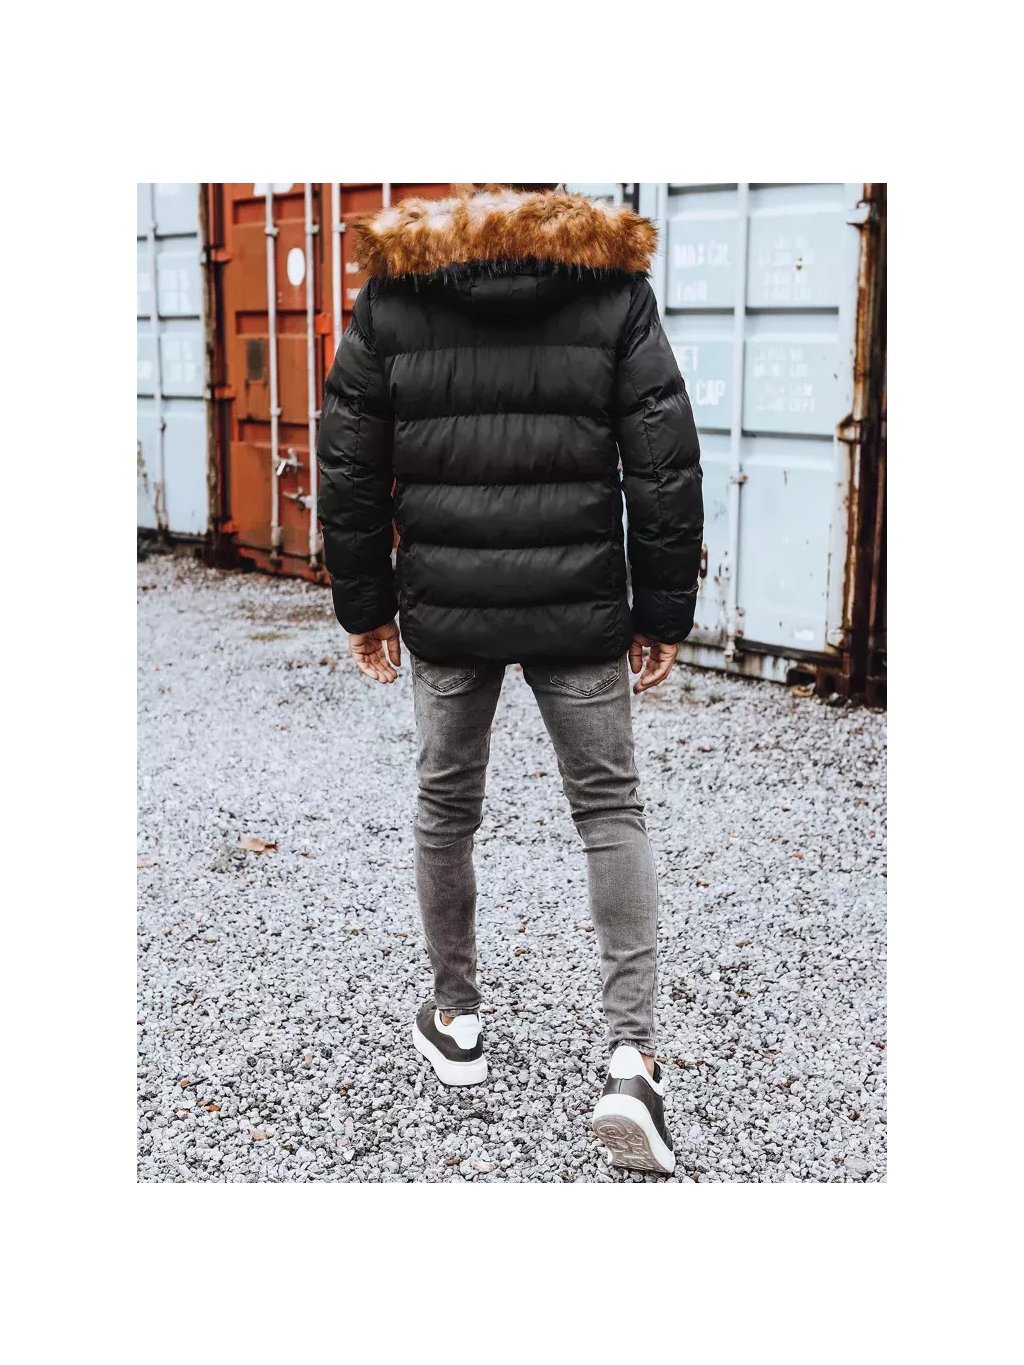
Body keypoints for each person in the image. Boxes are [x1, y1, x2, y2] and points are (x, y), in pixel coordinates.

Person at [316, 184, 703, 1175]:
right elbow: (662, 461)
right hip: (579, 603)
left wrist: (365, 605)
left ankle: (456, 1022)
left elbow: (349, 463)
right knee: (609, 810)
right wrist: (662, 609)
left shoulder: (395, 293)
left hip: (447, 605)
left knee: (447, 808)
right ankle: (631, 1059)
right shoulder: (612, 288)